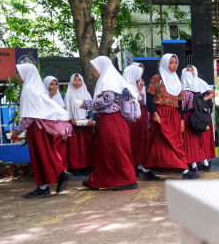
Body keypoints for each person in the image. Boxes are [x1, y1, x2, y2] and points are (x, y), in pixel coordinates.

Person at [12, 64, 73, 199]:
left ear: (27, 74)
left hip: (36, 128)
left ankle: (48, 184)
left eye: (20, 73)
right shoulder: (37, 89)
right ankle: (48, 183)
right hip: (42, 128)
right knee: (45, 154)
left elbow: (29, 116)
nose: (17, 76)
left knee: (39, 156)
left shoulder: (29, 90)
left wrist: (17, 131)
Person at [80, 56, 138, 191]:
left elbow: (106, 100)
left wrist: (86, 104)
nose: (93, 70)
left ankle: (127, 180)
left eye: (94, 67)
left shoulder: (108, 80)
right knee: (105, 149)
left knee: (116, 149)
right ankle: (99, 180)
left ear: (102, 67)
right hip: (110, 119)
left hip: (112, 120)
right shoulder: (110, 79)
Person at [145, 53, 199, 180]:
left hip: (174, 115)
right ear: (165, 63)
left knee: (176, 142)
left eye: (175, 63)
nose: (174, 65)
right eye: (171, 63)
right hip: (161, 114)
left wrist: (181, 119)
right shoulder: (157, 78)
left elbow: (180, 101)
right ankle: (185, 171)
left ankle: (146, 169)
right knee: (159, 142)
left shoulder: (176, 80)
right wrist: (154, 113)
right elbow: (149, 96)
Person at [122, 63, 158, 181]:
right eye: (138, 72)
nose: (140, 75)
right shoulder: (126, 86)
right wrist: (140, 91)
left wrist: (141, 90)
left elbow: (144, 102)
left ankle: (140, 167)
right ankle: (132, 167)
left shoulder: (139, 84)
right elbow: (138, 101)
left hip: (140, 117)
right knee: (132, 142)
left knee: (141, 142)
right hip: (131, 119)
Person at [64, 73, 95, 176]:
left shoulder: (86, 93)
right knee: (74, 146)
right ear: (71, 81)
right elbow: (64, 109)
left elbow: (91, 108)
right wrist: (70, 118)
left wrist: (91, 118)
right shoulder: (68, 94)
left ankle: (88, 166)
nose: (77, 81)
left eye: (79, 80)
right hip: (73, 124)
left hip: (86, 123)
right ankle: (75, 167)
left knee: (87, 144)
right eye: (75, 80)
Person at [181, 66, 209, 173]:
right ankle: (201, 163)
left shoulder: (185, 93)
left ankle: (192, 165)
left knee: (188, 143)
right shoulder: (196, 91)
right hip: (196, 119)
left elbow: (183, 107)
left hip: (187, 119)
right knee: (197, 142)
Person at [194, 66, 216, 170]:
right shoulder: (183, 83)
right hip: (193, 116)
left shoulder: (200, 82)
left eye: (192, 70)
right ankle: (197, 160)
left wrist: (202, 100)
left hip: (203, 114)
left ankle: (206, 158)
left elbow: (212, 93)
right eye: (188, 71)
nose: (190, 72)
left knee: (205, 137)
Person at [43, 76, 68, 170]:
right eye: (51, 84)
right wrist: (50, 96)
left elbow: (62, 111)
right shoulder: (43, 96)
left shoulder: (58, 96)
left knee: (61, 149)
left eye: (56, 84)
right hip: (48, 126)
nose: (54, 86)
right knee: (50, 150)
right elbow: (43, 108)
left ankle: (62, 171)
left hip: (59, 126)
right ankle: (52, 171)